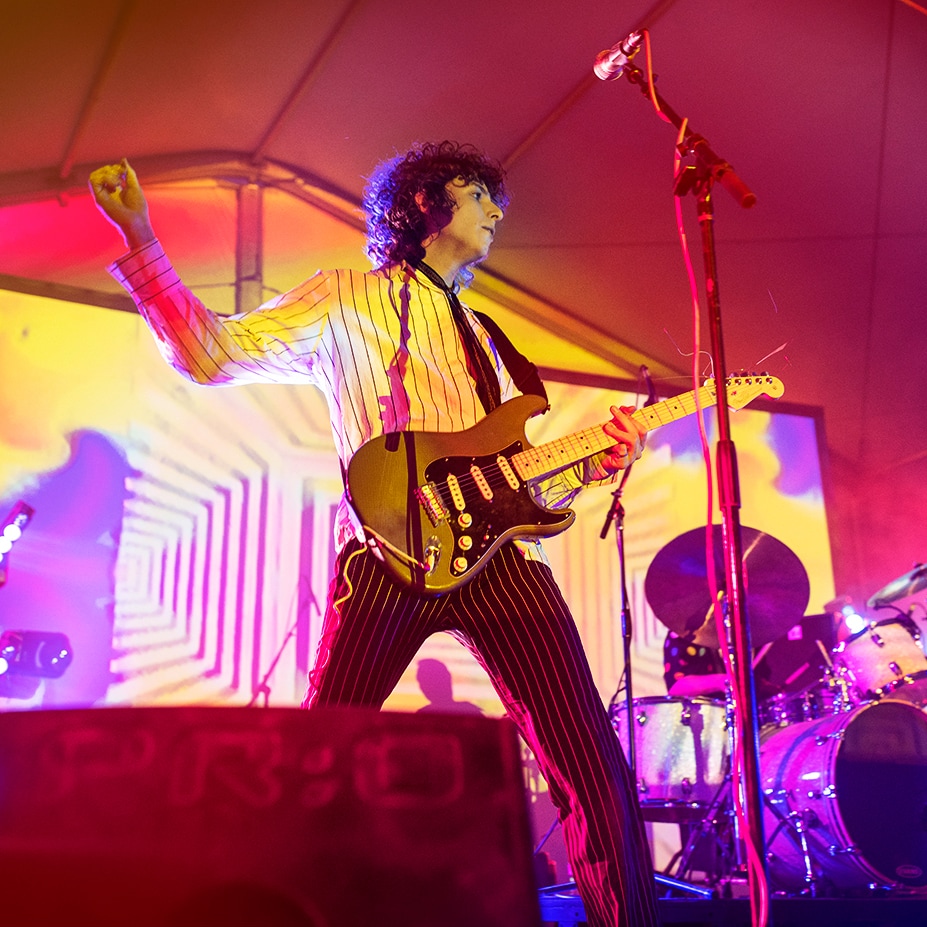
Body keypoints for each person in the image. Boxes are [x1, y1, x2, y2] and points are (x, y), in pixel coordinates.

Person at [89, 141, 659, 927]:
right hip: (389, 553)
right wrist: (141, 238)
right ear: (424, 204)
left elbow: (519, 481)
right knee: (316, 761)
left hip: (501, 563)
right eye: (478, 193)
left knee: (591, 766)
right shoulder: (345, 296)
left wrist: (594, 464)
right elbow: (210, 355)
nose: (497, 210)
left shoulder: (493, 339)